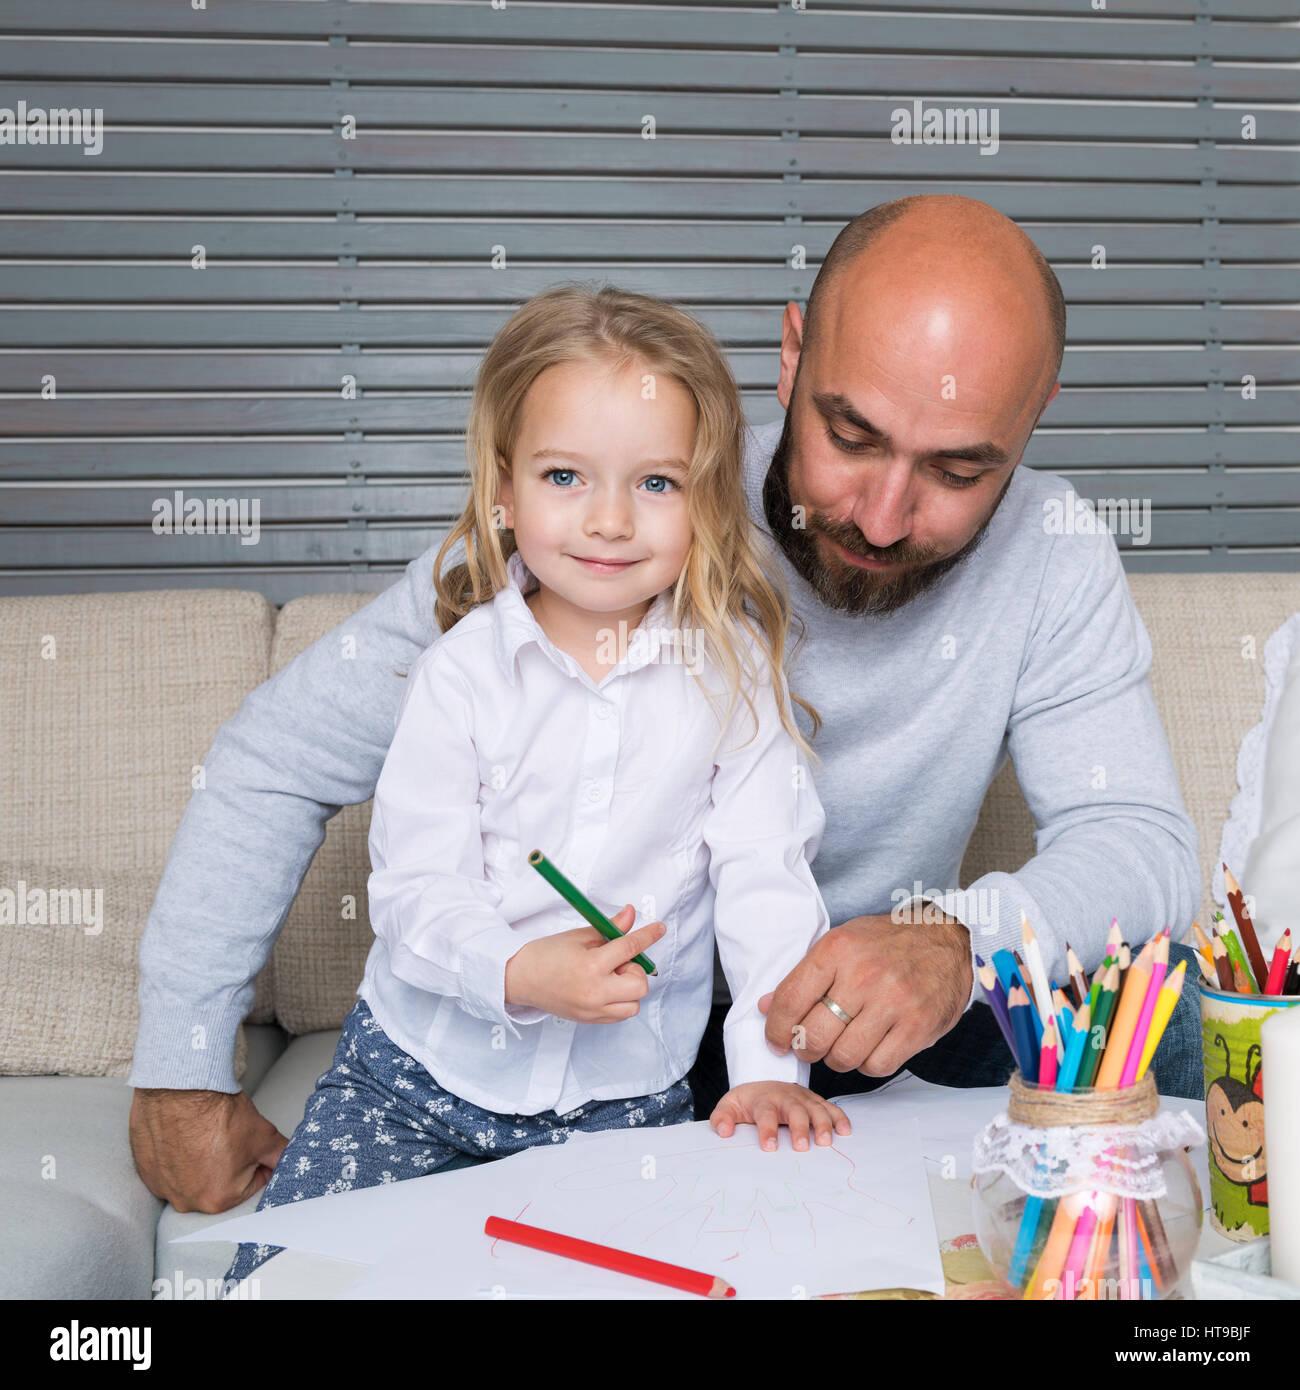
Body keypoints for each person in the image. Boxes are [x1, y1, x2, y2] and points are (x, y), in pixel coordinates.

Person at [130, 194, 1202, 1227]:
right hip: (634, 1021)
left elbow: (1138, 843)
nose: (881, 515)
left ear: (1032, 418)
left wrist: (962, 942)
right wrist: (180, 1074)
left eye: (959, 469)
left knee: (1165, 1016)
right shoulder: (615, 497)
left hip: (874, 1015)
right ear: (791, 356)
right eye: (851, 434)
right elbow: (274, 757)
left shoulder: (1054, 548)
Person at [219, 283, 853, 1286]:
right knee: (288, 1285)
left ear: (709, 500)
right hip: (414, 1081)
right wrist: (517, 974)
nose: (608, 519)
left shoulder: (733, 680)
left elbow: (765, 884)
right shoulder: (457, 677)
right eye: (566, 475)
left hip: (624, 1102)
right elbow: (414, 892)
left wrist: (770, 1076)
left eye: (656, 483)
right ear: (503, 489)